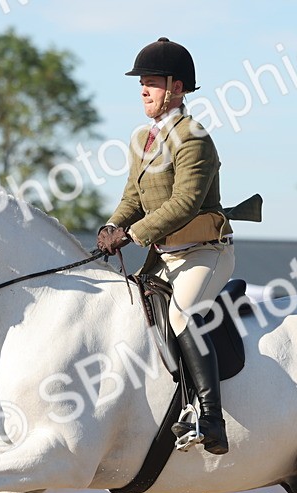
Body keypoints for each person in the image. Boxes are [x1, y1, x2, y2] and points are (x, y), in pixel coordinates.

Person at [97, 37, 235, 455]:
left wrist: (135, 234)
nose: (143, 89)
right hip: (164, 256)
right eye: (142, 82)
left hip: (203, 253)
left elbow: (186, 202)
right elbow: (133, 199)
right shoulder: (142, 139)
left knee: (181, 316)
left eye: (152, 82)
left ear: (176, 88)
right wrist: (112, 225)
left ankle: (211, 418)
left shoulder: (193, 137)